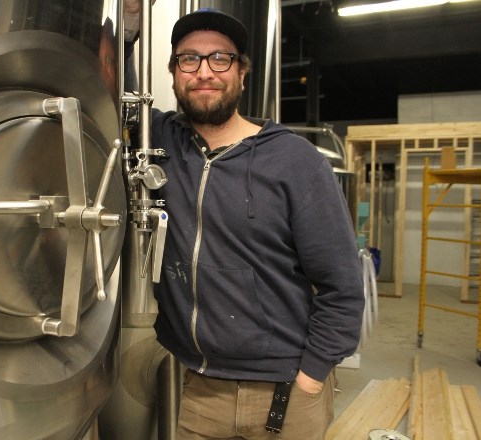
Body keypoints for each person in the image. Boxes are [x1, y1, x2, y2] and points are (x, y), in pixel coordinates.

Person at [126, 5, 365, 440]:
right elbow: (113, 94)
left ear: (242, 72)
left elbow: (343, 288)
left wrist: (310, 377)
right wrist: (126, 34)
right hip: (199, 390)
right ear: (174, 72)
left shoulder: (295, 162)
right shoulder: (161, 143)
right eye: (188, 59)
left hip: (285, 389)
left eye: (220, 58)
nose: (204, 72)